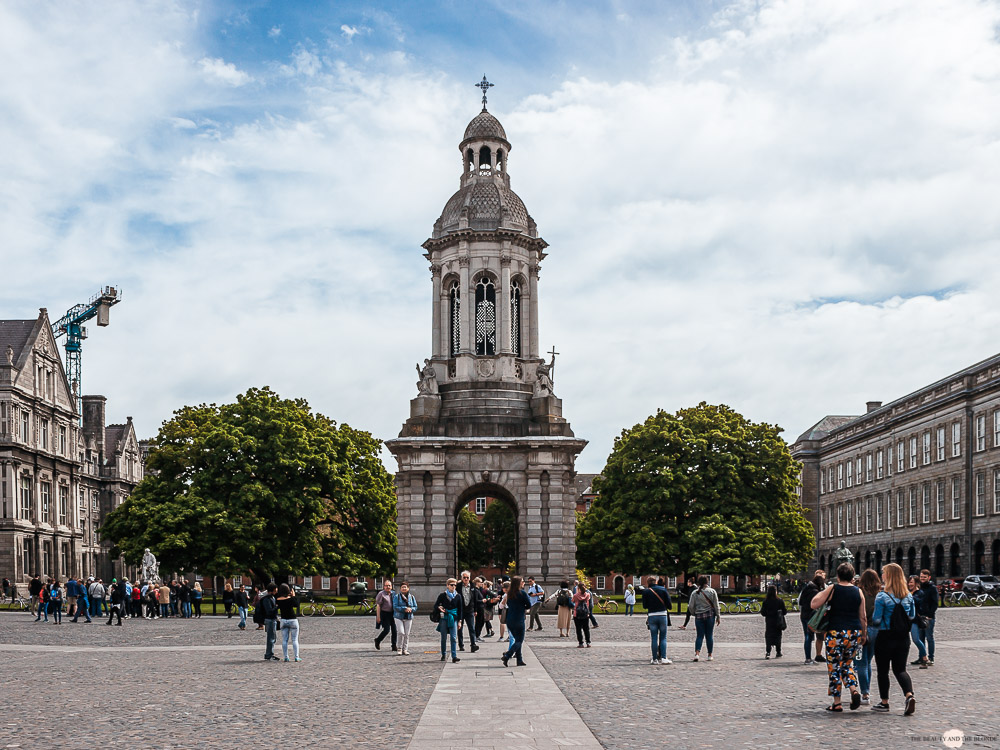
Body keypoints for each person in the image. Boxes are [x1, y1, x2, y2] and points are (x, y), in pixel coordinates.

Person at [811, 563, 866, 712]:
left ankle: (837, 702)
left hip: (836, 633)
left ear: (838, 575)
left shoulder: (833, 588)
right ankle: (854, 690)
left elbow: (814, 604)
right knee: (847, 664)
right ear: (852, 575)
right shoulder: (858, 591)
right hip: (854, 632)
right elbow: (863, 617)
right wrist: (864, 635)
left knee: (835, 666)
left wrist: (823, 591)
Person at [871, 563, 917, 715]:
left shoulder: (882, 596)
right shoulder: (908, 596)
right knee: (900, 669)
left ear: (889, 576)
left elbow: (876, 620)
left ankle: (884, 702)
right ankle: (909, 695)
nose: (881, 575)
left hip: (885, 636)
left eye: (883, 573)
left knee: (883, 671)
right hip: (903, 637)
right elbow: (911, 616)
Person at [856, 568, 881, 705]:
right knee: (868, 661)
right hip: (876, 630)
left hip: (862, 630)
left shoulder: (860, 593)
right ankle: (867, 691)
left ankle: (864, 693)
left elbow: (859, 615)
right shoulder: (880, 594)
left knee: (861, 663)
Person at [688, 575, 720, 661]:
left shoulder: (695, 593)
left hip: (699, 616)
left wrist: (694, 613)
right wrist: (718, 616)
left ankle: (697, 654)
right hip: (710, 616)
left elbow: (690, 606)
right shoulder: (712, 591)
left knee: (699, 636)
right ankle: (710, 655)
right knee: (709, 636)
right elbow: (716, 605)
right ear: (707, 582)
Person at [502, 576, 532, 667]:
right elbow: (529, 605)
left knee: (517, 640)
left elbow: (508, 604)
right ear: (519, 583)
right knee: (519, 640)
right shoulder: (522, 593)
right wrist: (523, 607)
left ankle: (519, 660)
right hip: (519, 619)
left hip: (510, 620)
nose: (524, 583)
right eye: (522, 581)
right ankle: (508, 655)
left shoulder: (509, 594)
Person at [799, 571, 827, 664]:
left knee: (808, 636)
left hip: (804, 615)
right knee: (809, 636)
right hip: (811, 616)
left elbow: (801, 602)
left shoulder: (806, 588)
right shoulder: (815, 592)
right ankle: (808, 658)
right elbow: (816, 605)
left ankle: (808, 658)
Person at [642, 576, 671, 664]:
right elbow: (669, 604)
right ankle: (663, 657)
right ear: (656, 582)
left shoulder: (646, 591)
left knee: (654, 637)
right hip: (662, 615)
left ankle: (654, 659)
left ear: (648, 583)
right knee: (663, 637)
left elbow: (645, 606)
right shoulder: (663, 590)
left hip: (652, 615)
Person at [434, 578, 463, 663]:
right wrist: (439, 607)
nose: (453, 587)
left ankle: (454, 656)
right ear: (447, 585)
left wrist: (460, 621)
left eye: (455, 585)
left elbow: (460, 609)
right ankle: (443, 654)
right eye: (451, 585)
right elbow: (436, 605)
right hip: (444, 618)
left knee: (453, 638)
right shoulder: (442, 595)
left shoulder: (458, 596)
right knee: (443, 637)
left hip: (453, 618)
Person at [912, 569, 937, 667]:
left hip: (928, 617)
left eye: (924, 577)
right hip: (919, 616)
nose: (922, 579)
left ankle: (931, 658)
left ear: (929, 578)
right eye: (921, 577)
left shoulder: (932, 588)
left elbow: (934, 603)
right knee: (920, 638)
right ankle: (921, 657)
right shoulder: (918, 588)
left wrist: (930, 615)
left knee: (929, 637)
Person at [455, 571, 481, 652]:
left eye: (467, 577)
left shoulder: (473, 587)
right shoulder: (458, 586)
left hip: (470, 610)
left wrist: (475, 610)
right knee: (460, 628)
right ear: (461, 578)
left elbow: (475, 599)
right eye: (464, 577)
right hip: (461, 610)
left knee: (472, 628)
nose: (466, 579)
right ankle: (461, 645)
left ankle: (473, 645)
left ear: (470, 578)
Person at [759, 585, 787, 659]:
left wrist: (768, 613)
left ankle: (768, 652)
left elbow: (763, 613)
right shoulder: (780, 601)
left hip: (769, 621)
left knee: (769, 636)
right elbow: (784, 611)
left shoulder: (766, 601)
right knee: (778, 636)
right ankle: (778, 651)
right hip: (778, 621)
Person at [276, 583, 301, 662]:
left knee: (284, 640)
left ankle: (286, 657)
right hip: (292, 620)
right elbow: (296, 605)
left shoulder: (278, 600)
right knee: (294, 640)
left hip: (283, 620)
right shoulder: (290, 599)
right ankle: (296, 657)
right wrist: (293, 596)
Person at [392, 581, 417, 656]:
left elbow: (415, 607)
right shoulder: (397, 597)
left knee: (406, 634)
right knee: (401, 632)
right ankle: (399, 648)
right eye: (402, 587)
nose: (404, 588)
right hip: (398, 616)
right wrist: (404, 608)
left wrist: (411, 609)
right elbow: (395, 606)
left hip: (408, 617)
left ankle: (405, 649)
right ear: (400, 589)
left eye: (405, 587)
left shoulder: (412, 597)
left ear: (408, 588)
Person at [258, 583, 280, 661]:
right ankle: (269, 654)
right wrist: (276, 607)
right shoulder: (267, 599)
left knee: (273, 637)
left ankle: (270, 653)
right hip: (269, 619)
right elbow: (269, 611)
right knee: (271, 638)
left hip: (272, 619)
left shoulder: (272, 598)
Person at [374, 579, 397, 651]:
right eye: (386, 586)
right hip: (385, 614)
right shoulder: (381, 594)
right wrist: (378, 617)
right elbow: (378, 606)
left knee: (395, 630)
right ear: (384, 587)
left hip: (393, 614)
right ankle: (378, 640)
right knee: (386, 630)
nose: (388, 587)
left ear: (391, 586)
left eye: (389, 585)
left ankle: (394, 645)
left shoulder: (393, 593)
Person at [571, 582, 593, 648]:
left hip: (577, 613)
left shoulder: (575, 595)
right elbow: (588, 604)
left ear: (578, 588)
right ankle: (588, 642)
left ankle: (581, 643)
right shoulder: (587, 595)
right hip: (585, 613)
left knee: (578, 629)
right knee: (586, 629)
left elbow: (572, 601)